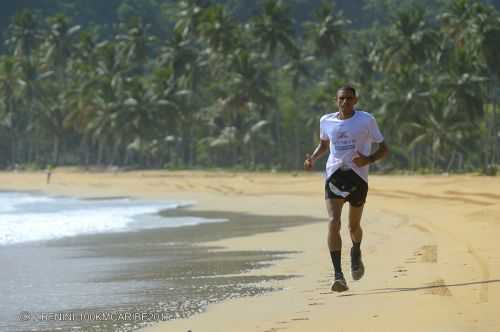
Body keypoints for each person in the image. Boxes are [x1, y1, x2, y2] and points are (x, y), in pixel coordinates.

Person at [304, 85, 388, 292]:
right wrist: (313, 158)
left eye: (349, 99)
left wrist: (367, 159)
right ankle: (338, 275)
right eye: (342, 99)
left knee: (353, 227)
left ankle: (356, 251)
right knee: (334, 222)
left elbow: (384, 149)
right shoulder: (326, 120)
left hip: (358, 177)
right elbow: (324, 144)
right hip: (334, 174)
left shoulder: (366, 120)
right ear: (336, 100)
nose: (345, 102)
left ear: (355, 100)